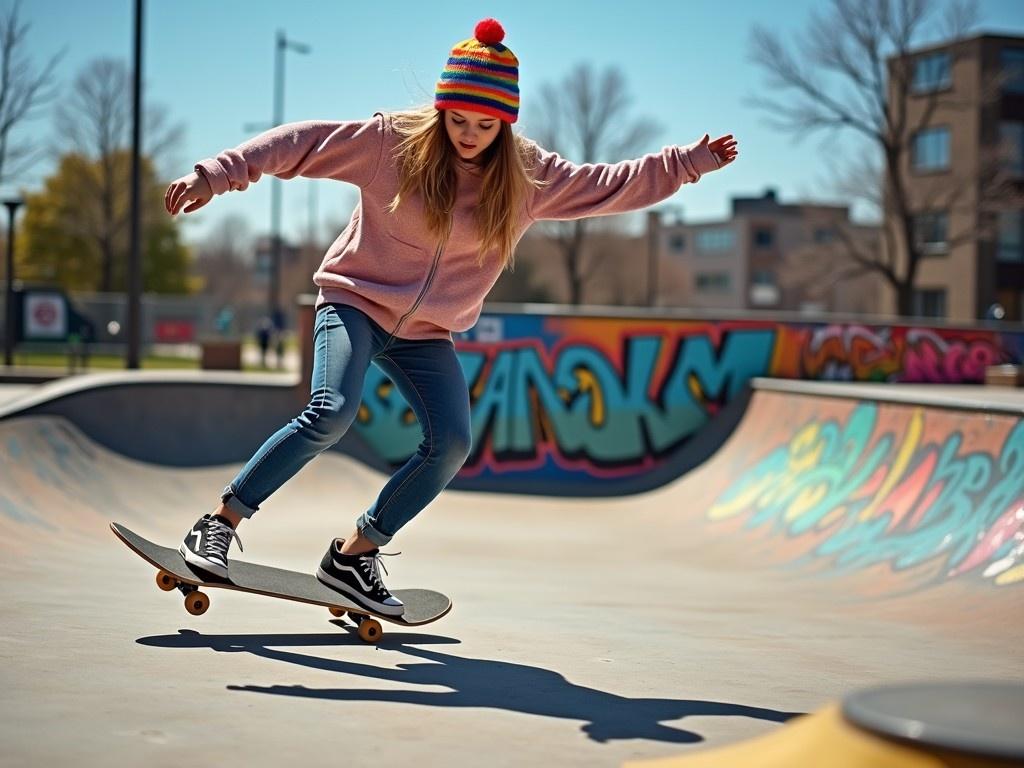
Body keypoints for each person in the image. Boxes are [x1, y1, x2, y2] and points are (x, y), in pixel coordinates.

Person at [163, 18, 738, 617]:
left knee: (453, 443)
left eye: (485, 125)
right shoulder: (392, 144)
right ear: (441, 111)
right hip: (355, 300)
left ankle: (353, 555)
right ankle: (220, 522)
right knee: (331, 412)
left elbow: (610, 186)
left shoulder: (528, 180)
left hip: (427, 333)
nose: (468, 135)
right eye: (457, 120)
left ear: (506, 123)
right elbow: (300, 145)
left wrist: (685, 163)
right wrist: (217, 175)